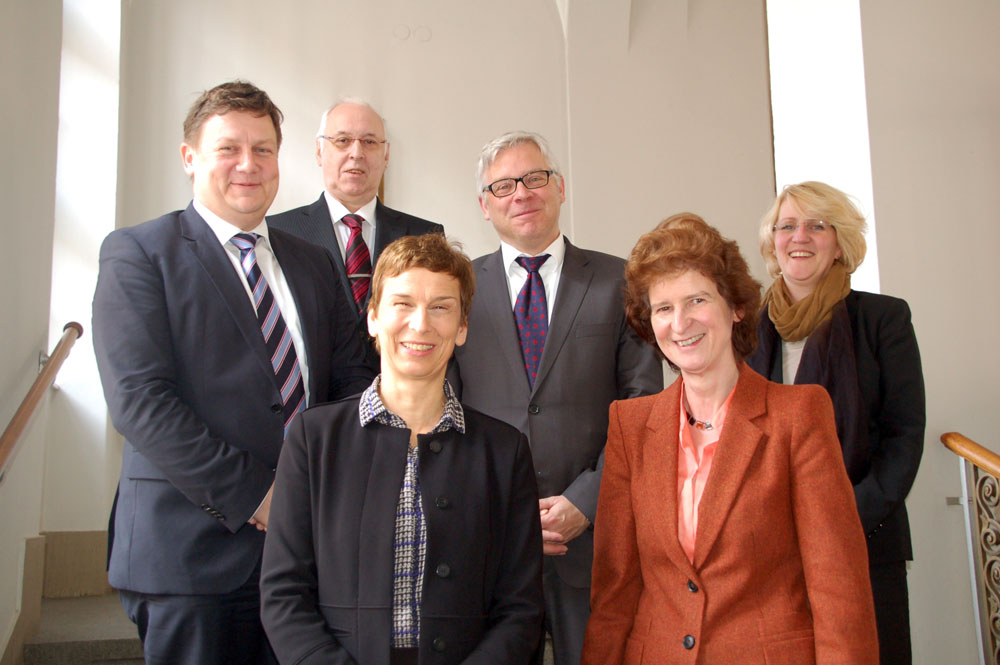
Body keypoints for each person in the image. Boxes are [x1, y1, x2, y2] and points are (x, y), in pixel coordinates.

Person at [92, 80, 375, 665]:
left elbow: (351, 381)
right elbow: (140, 402)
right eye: (229, 148)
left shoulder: (312, 261)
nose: (248, 165)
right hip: (191, 557)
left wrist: (329, 485)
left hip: (309, 554)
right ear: (190, 157)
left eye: (263, 149)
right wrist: (260, 497)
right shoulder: (140, 254)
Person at [582, 213, 879, 665]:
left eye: (697, 300)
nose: (680, 323)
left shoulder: (798, 416)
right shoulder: (629, 424)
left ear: (735, 307)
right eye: (663, 308)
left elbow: (839, 589)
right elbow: (615, 591)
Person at [261, 233, 544, 665]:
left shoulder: (504, 453)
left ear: (463, 327)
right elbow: (284, 596)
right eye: (403, 303)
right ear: (373, 317)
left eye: (441, 307)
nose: (421, 324)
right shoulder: (311, 440)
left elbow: (521, 609)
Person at [450, 131, 663, 665]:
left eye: (534, 177)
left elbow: (643, 409)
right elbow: (443, 410)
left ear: (560, 187)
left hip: (593, 541)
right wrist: (505, 511)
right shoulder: (455, 290)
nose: (521, 193)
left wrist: (584, 503)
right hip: (491, 542)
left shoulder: (618, 280)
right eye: (503, 185)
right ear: (483, 205)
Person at [747, 181, 925, 665]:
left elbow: (903, 436)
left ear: (840, 242)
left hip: (864, 538)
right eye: (787, 225)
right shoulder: (747, 328)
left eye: (816, 225)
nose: (798, 236)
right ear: (772, 242)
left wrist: (841, 519)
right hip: (768, 550)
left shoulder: (883, 319)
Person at [268, 99, 443, 319]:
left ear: (386, 155)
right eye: (342, 140)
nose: (357, 153)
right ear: (319, 151)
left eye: (369, 142)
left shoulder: (425, 236)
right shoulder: (275, 232)